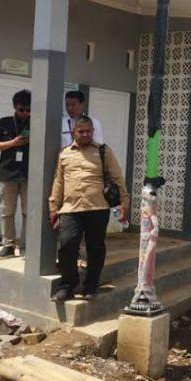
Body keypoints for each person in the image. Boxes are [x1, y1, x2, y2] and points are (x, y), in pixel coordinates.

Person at [49, 116, 129, 301]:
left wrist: (124, 203)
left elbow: (117, 178)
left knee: (95, 248)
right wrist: (53, 207)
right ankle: (68, 286)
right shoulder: (65, 154)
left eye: (88, 131)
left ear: (92, 132)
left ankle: (91, 286)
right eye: (81, 131)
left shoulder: (103, 151)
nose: (85, 134)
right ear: (73, 133)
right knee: (67, 246)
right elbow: (58, 182)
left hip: (97, 208)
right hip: (71, 209)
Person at [0, 89, 31, 260]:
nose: (25, 113)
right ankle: (8, 245)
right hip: (7, 174)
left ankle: (26, 246)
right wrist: (13, 143)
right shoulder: (3, 122)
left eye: (29, 110)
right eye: (22, 109)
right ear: (15, 107)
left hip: (29, 174)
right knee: (7, 212)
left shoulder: (36, 123)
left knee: (29, 212)